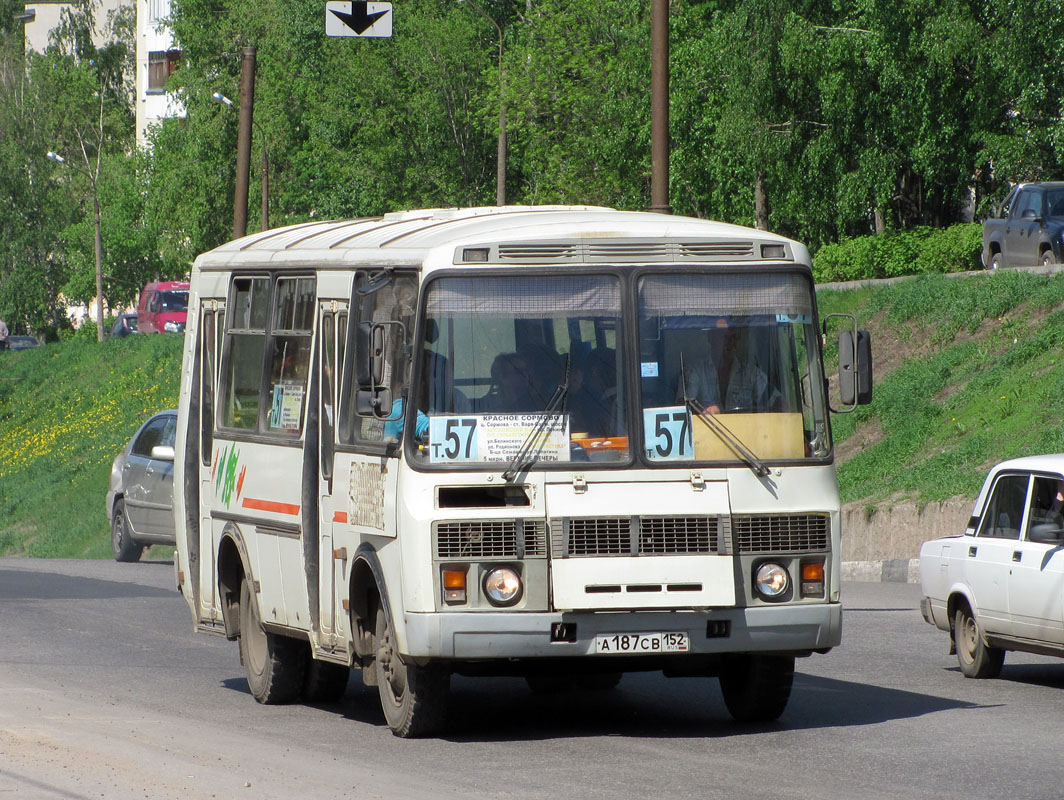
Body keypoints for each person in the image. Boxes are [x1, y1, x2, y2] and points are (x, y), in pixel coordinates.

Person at [678, 318, 780, 413]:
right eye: (725, 337)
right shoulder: (696, 371)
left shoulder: (751, 374)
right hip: (705, 431)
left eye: (734, 338)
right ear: (711, 337)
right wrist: (703, 413)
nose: (730, 343)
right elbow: (682, 409)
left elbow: (778, 402)